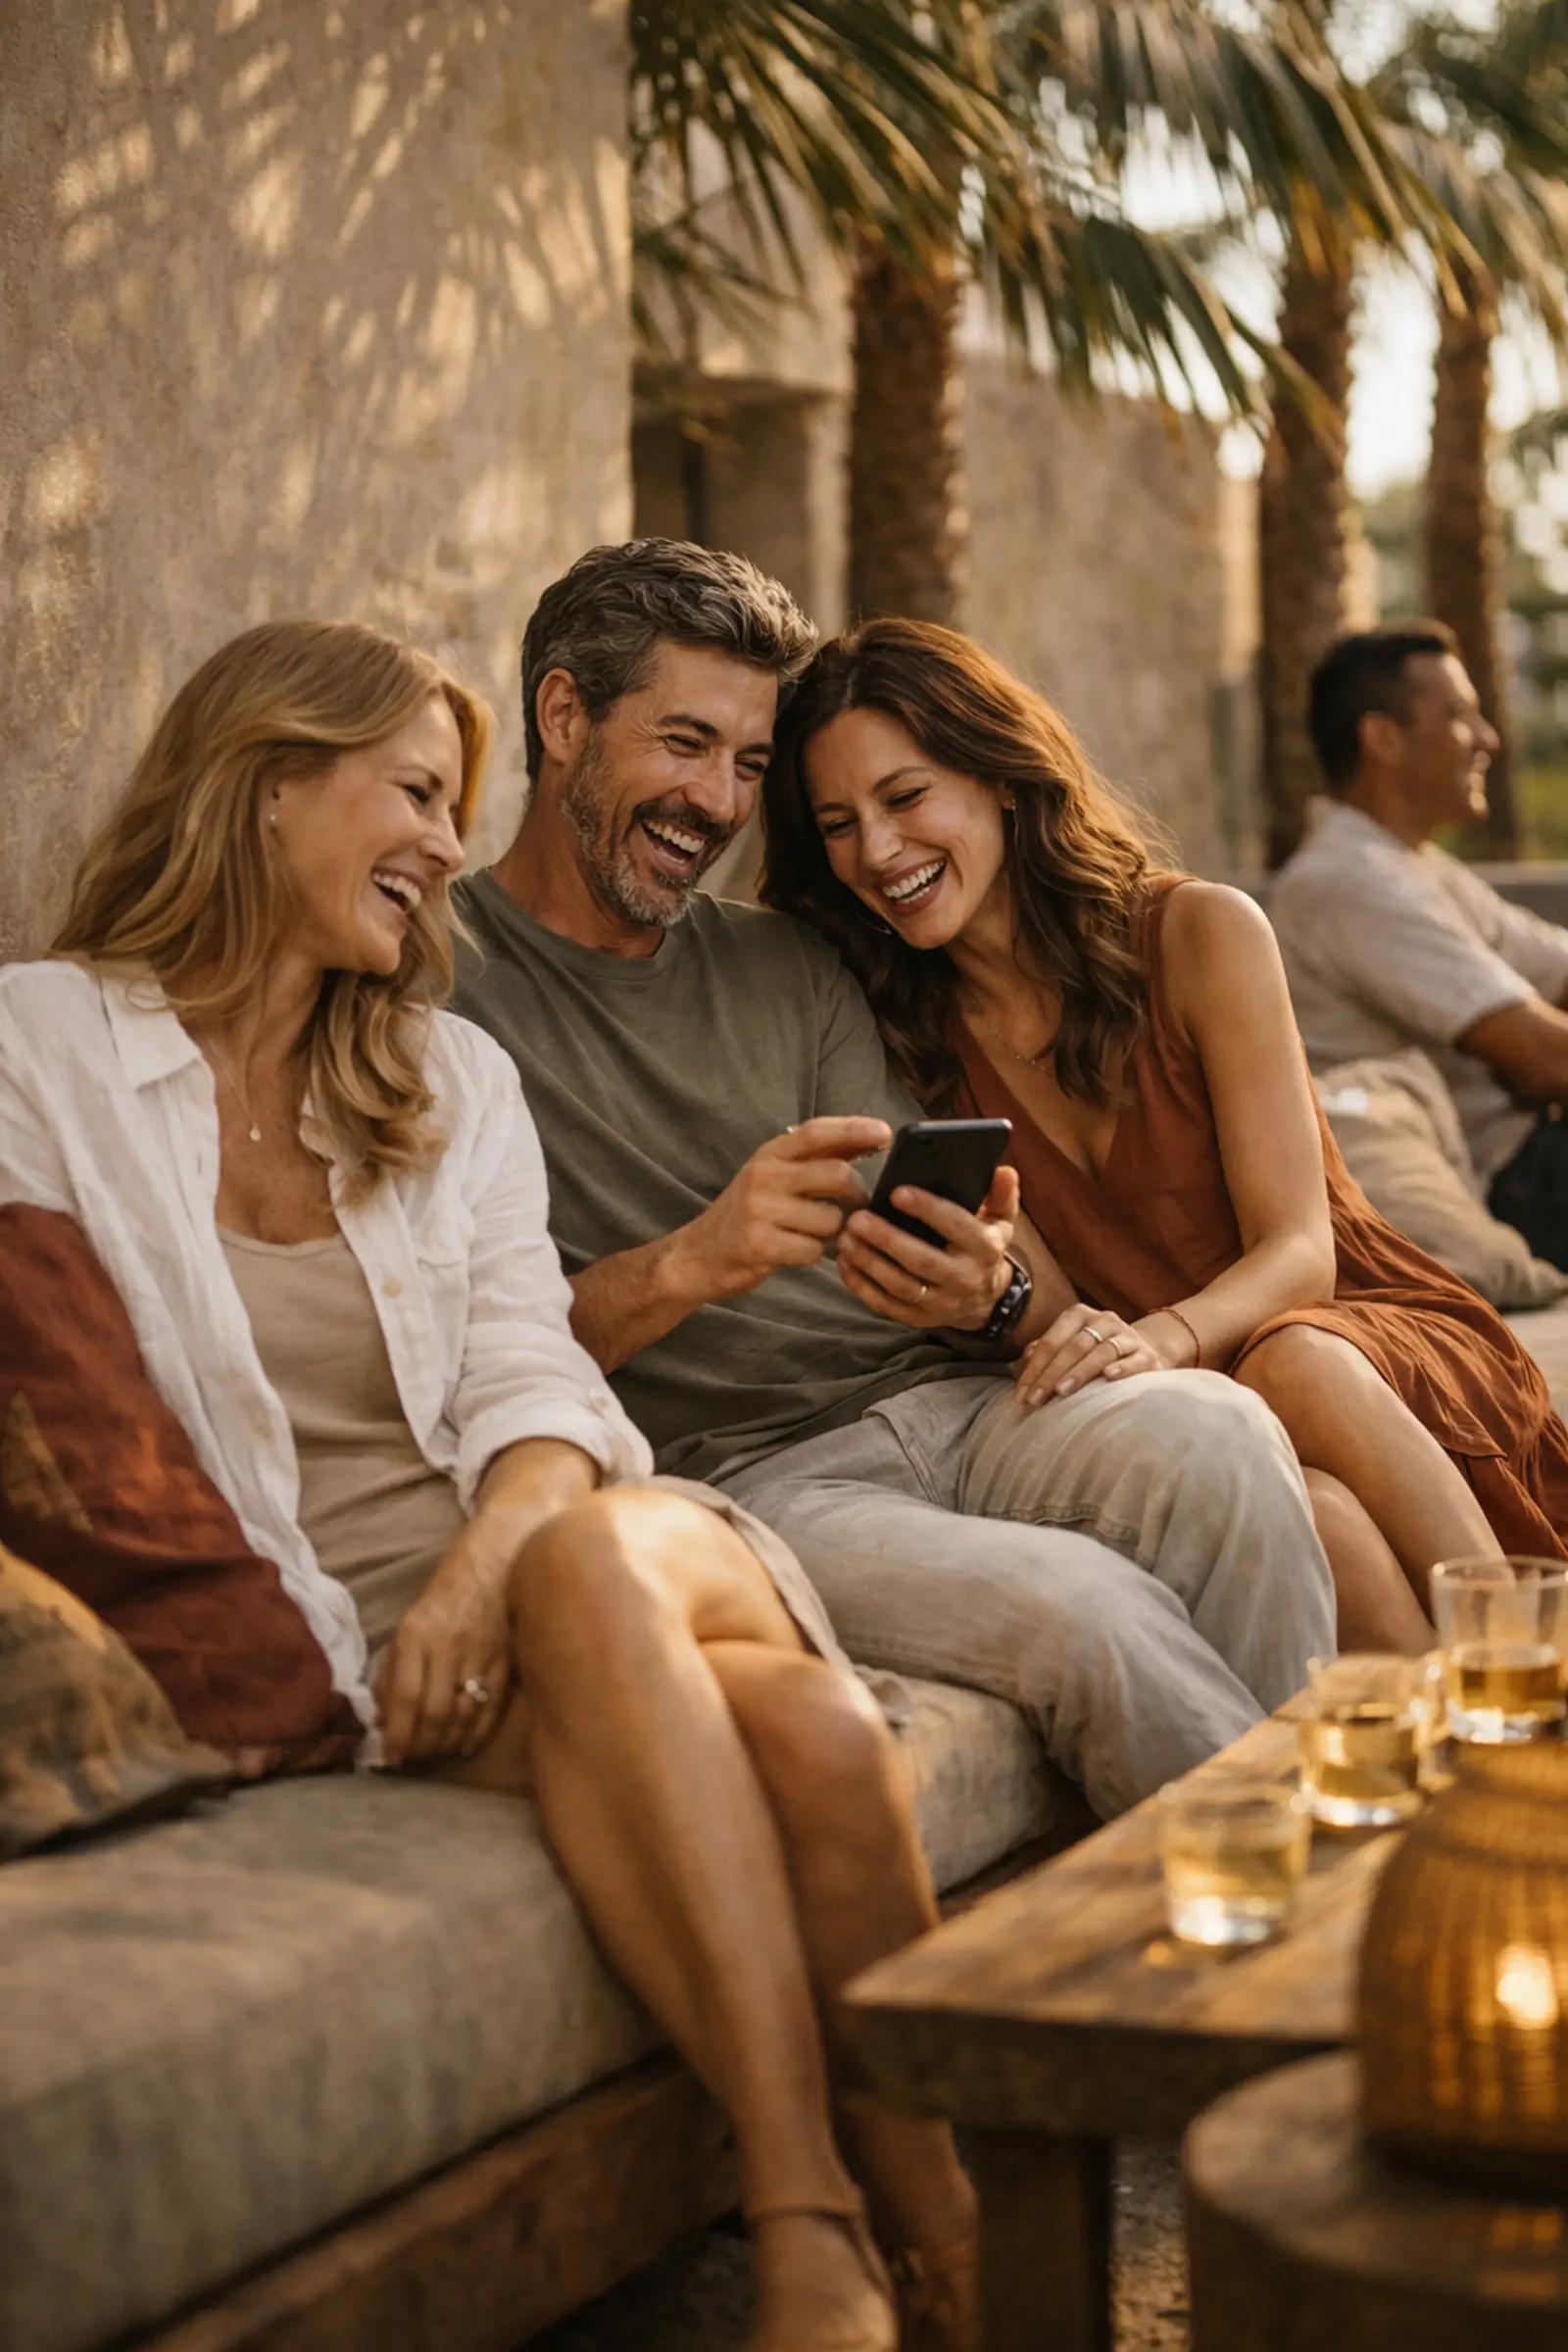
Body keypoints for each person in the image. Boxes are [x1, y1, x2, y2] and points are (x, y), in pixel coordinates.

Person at [0, 619, 980, 2352]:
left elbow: (535, 1370)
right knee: (817, 1744)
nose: (451, 848)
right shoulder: (42, 1053)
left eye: (454, 807)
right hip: (362, 1659)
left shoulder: (449, 1076)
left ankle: (802, 2222)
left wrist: (483, 1567)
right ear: (270, 782)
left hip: (575, 1546)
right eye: (415, 796)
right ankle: (963, 2257)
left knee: (587, 1566)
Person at [453, 537, 1337, 1827]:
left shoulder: (790, 965)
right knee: (1087, 1613)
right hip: (754, 1477)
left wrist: (989, 1286)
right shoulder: (443, 979)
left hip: (957, 1404)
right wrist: (699, 1258)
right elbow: (460, 1356)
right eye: (686, 743)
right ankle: (1287, 1945)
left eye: (751, 765)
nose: (716, 800)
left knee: (1222, 1434)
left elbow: (1007, 1274)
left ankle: (1263, 1932)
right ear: (564, 715)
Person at [760, 616, 1568, 1653]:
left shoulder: (1202, 932)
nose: (876, 850)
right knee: (1313, 1515)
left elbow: (1301, 1253)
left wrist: (1160, 1340)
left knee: (1292, 1368)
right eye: (836, 824)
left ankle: (1522, 1679)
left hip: (1353, 1341)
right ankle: (1470, 1783)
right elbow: (1052, 1307)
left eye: (905, 797)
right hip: (1188, 1411)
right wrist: (988, 1294)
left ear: (1000, 775)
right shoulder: (902, 1033)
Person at [1270, 622, 1568, 1270]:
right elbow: (1549, 1059)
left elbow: (1557, 969)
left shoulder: (1416, 867)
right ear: (1382, 738)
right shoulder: (1346, 883)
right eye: (1460, 716)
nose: (1487, 738)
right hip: (1507, 1183)